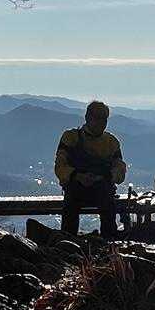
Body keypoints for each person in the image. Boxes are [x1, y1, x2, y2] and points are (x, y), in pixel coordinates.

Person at [54, 100, 127, 238]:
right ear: (87, 117)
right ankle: (69, 241)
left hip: (101, 190)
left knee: (106, 205)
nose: (101, 123)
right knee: (72, 206)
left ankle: (106, 240)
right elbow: (60, 166)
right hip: (77, 189)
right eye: (98, 118)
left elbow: (120, 170)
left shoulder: (111, 142)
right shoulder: (71, 138)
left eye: (104, 119)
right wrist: (77, 176)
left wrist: (105, 177)